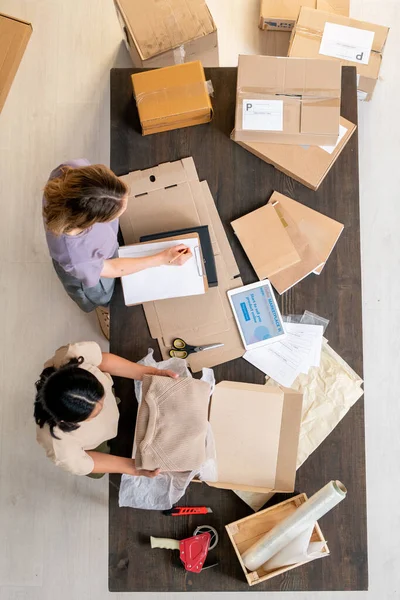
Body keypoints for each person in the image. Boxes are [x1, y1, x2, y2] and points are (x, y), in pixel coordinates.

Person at [43, 159, 191, 339]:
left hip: (102, 247)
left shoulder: (72, 169)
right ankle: (103, 308)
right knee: (100, 294)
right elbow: (113, 268)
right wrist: (162, 258)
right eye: (117, 212)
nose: (124, 206)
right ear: (90, 220)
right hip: (92, 270)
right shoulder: (78, 258)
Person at [34, 341, 178, 478]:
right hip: (95, 443)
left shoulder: (73, 355)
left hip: (108, 419)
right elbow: (89, 463)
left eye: (101, 397)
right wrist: (136, 468)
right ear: (67, 421)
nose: (102, 407)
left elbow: (103, 361)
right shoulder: (59, 445)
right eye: (94, 414)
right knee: (99, 472)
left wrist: (150, 373)